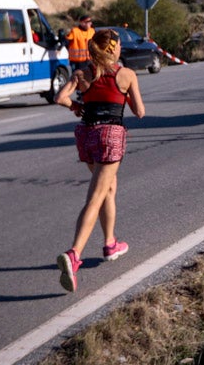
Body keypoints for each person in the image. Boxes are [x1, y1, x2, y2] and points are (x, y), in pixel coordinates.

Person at [53, 28, 146, 293]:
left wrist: (76, 106)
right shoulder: (125, 75)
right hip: (109, 137)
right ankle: (74, 254)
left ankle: (110, 243)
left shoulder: (82, 74)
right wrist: (123, 94)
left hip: (87, 135)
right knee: (95, 197)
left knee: (108, 188)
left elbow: (60, 98)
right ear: (113, 49)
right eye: (119, 45)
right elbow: (140, 112)